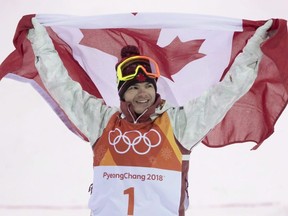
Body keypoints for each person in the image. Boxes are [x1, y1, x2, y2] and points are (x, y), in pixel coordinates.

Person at [27, 18, 272, 216]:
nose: (142, 93)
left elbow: (226, 91)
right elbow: (62, 87)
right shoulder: (101, 122)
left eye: (148, 87)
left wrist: (255, 47)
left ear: (156, 89)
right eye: (133, 87)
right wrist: (41, 44)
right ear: (123, 93)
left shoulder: (179, 124)